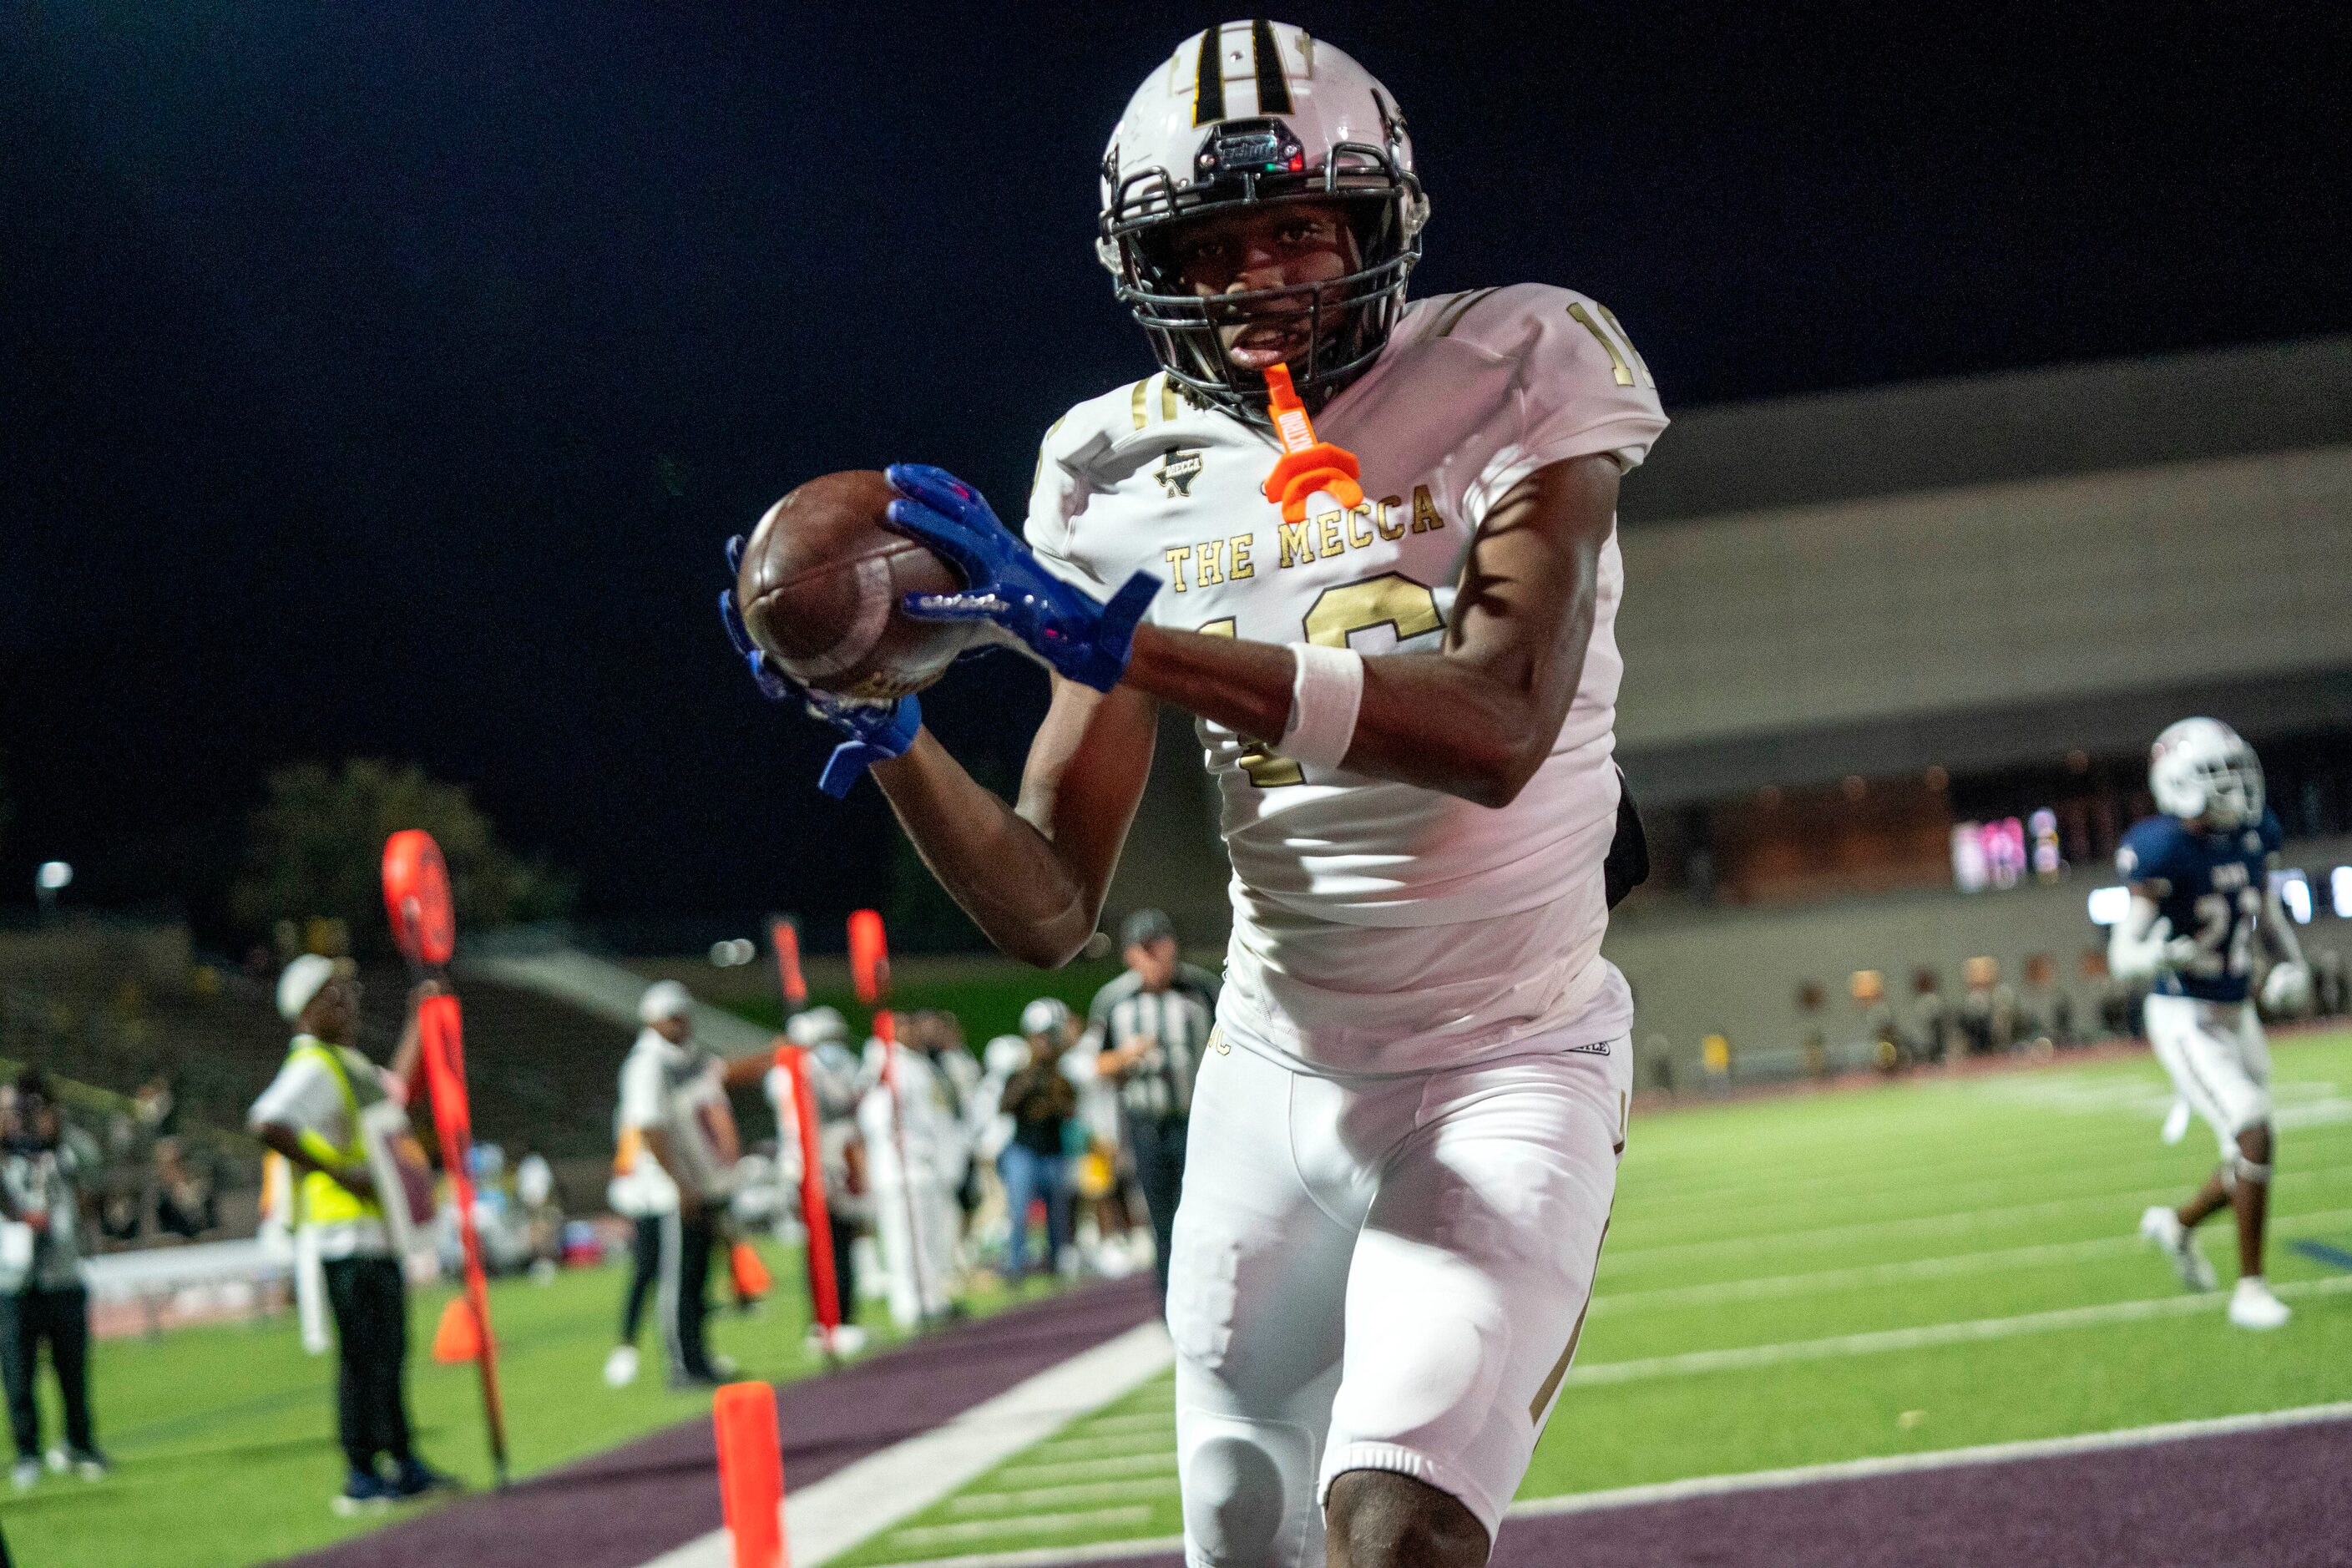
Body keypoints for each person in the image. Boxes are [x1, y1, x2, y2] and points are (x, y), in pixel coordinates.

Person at [719, 23, 1662, 1563]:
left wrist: (1141, 642)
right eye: (1208, 245)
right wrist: (888, 733)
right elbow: (1042, 905)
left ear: (1377, 221)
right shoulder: (1104, 462)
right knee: (1242, 1531)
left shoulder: (1523, 355)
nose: (1257, 277)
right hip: (1270, 1071)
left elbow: (1497, 723)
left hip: (1511, 1053)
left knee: (1397, 1528)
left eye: (1295, 225)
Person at [2113, 719, 2310, 1332]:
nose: (2237, 789)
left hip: (2236, 1010)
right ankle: (2249, 1289)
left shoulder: (2250, 837)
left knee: (2246, 1153)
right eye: (2220, 778)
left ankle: (2175, 1226)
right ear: (2179, 784)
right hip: (2183, 1014)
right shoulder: (2162, 847)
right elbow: (2123, 955)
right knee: (2253, 1131)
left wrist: (2293, 965)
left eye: (2237, 774)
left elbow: (2264, 909)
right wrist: (2155, 956)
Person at [247, 956, 454, 1510]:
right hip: (342, 1236)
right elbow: (267, 1121)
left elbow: (396, 1090)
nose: (349, 1000)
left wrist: (419, 1021)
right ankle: (360, 1475)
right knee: (363, 1359)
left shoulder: (347, 1063)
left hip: (373, 1234)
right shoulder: (315, 1065)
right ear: (304, 1012)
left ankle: (401, 1460)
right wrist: (342, 1172)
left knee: (389, 1354)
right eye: (332, 994)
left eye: (348, 989)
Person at [611, 980, 742, 1388]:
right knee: (675, 1279)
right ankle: (682, 1364)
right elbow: (649, 1127)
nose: (682, 1022)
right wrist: (679, 1182)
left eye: (684, 1014)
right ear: (652, 1020)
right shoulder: (646, 1064)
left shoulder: (685, 1058)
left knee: (697, 1278)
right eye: (673, 1016)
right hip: (667, 1189)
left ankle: (698, 1356)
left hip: (694, 1183)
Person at [1087, 909, 1218, 1310]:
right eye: (1144, 951)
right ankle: (1172, 1308)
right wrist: (1127, 1057)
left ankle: (1214, 1302)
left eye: (1158, 947)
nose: (1153, 959)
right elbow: (1095, 1064)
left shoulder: (1202, 990)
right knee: (1162, 1223)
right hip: (1147, 1126)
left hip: (1200, 1124)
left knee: (1209, 1217)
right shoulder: (1114, 1001)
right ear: (1129, 955)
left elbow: (1231, 1046)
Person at [1, 1070, 106, 1489]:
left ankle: (80, 1444)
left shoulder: (66, 1148)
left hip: (62, 1274)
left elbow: (92, 1175)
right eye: (12, 1111)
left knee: (72, 1369)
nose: (21, 1119)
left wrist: (58, 1137)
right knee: (17, 1372)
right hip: (12, 1282)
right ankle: (28, 1453)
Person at [857, 1013, 968, 1326]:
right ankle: (908, 1304)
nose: (911, 1031)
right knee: (903, 1239)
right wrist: (898, 1145)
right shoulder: (883, 1063)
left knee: (928, 1239)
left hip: (924, 1165)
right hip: (899, 1168)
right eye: (902, 1027)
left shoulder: (915, 1063)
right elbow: (874, 1116)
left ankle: (931, 1298)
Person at [997, 1002, 1080, 1280]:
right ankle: (1015, 1265)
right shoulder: (1019, 1074)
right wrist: (1031, 1079)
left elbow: (1070, 1110)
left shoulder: (1061, 1077)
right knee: (1018, 1212)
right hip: (1023, 1150)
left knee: (1057, 1214)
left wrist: (1052, 1093)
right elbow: (1005, 1106)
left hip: (1053, 1152)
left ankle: (1055, 1262)